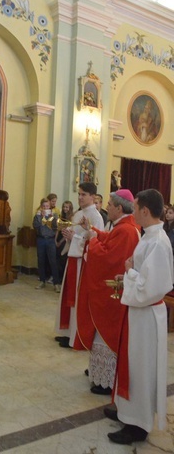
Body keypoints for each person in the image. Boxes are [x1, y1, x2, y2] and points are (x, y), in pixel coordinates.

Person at [105, 189, 173, 445]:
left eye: (135, 208)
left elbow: (152, 287)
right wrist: (128, 277)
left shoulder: (158, 242)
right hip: (139, 313)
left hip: (147, 316)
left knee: (142, 369)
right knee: (132, 364)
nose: (132, 212)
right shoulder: (148, 237)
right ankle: (127, 410)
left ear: (145, 211)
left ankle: (139, 426)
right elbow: (142, 275)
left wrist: (130, 273)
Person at [74, 190, 140, 396]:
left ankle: (107, 381)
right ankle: (100, 373)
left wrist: (92, 242)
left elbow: (110, 258)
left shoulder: (127, 230)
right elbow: (109, 240)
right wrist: (93, 231)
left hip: (114, 292)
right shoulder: (123, 227)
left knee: (106, 333)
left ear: (119, 208)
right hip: (116, 289)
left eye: (110, 204)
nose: (107, 207)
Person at [54, 182, 104, 348]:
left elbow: (95, 241)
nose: (80, 197)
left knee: (77, 299)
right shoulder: (78, 214)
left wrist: (73, 236)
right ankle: (68, 333)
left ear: (92, 196)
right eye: (79, 194)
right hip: (72, 258)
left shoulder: (96, 216)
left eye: (83, 194)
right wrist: (68, 236)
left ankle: (77, 336)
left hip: (83, 262)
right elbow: (76, 236)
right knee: (68, 296)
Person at [33, 198, 61, 292]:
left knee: (52, 261)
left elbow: (56, 227)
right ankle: (42, 281)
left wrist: (53, 218)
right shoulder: (37, 216)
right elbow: (35, 226)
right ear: (41, 207)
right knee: (41, 260)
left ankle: (56, 283)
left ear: (50, 207)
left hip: (50, 240)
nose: (46, 208)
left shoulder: (55, 215)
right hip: (41, 239)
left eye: (47, 206)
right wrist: (42, 218)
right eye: (44, 206)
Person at [56, 200, 74, 285]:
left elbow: (68, 232)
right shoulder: (61, 217)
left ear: (70, 208)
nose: (65, 208)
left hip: (65, 239)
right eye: (64, 207)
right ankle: (57, 277)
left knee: (63, 259)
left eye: (67, 207)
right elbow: (58, 229)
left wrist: (60, 241)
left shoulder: (71, 218)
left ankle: (62, 279)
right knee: (58, 259)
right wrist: (55, 239)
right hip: (59, 237)